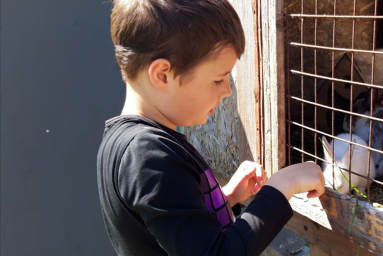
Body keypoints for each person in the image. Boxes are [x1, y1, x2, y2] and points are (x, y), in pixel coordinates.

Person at [96, 0, 326, 255]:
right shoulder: (147, 156)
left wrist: (226, 199)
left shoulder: (127, 144)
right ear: (163, 74)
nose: (227, 91)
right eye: (218, 80)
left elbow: (180, 233)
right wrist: (284, 185)